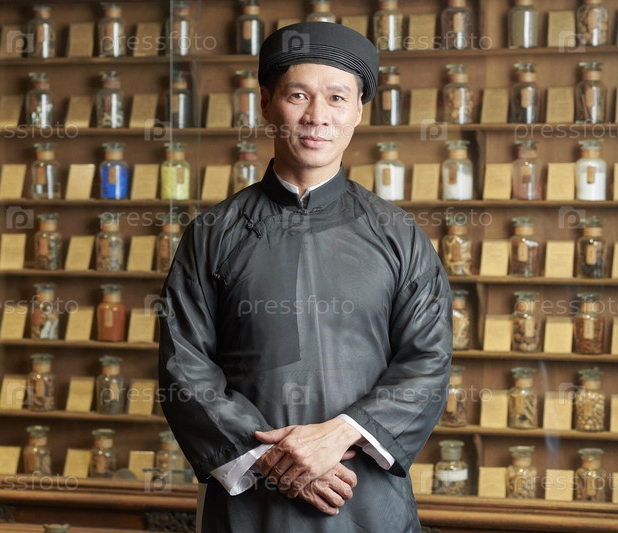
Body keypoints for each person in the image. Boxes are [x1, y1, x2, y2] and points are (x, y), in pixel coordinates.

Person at [158, 21, 452, 533]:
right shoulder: (211, 234)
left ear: (358, 110)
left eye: (337, 97)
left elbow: (427, 362)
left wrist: (339, 434)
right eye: (298, 95)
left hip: (363, 495)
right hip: (251, 499)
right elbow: (184, 368)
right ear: (266, 103)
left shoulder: (399, 235)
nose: (317, 116)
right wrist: (278, 462)